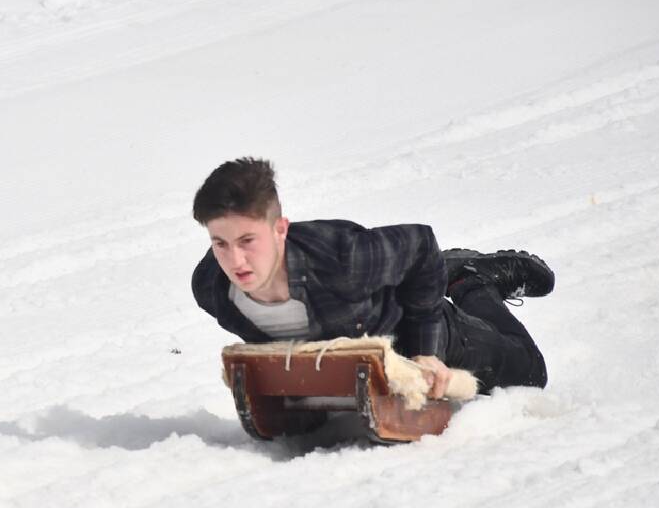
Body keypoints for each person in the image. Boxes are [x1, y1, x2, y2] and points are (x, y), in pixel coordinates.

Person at [191, 157, 551, 397]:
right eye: (220, 243)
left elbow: (421, 243)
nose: (235, 260)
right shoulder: (212, 289)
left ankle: (469, 280)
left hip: (404, 328)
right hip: (348, 356)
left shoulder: (345, 260)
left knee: (532, 376)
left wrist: (427, 352)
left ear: (280, 230)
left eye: (247, 241)